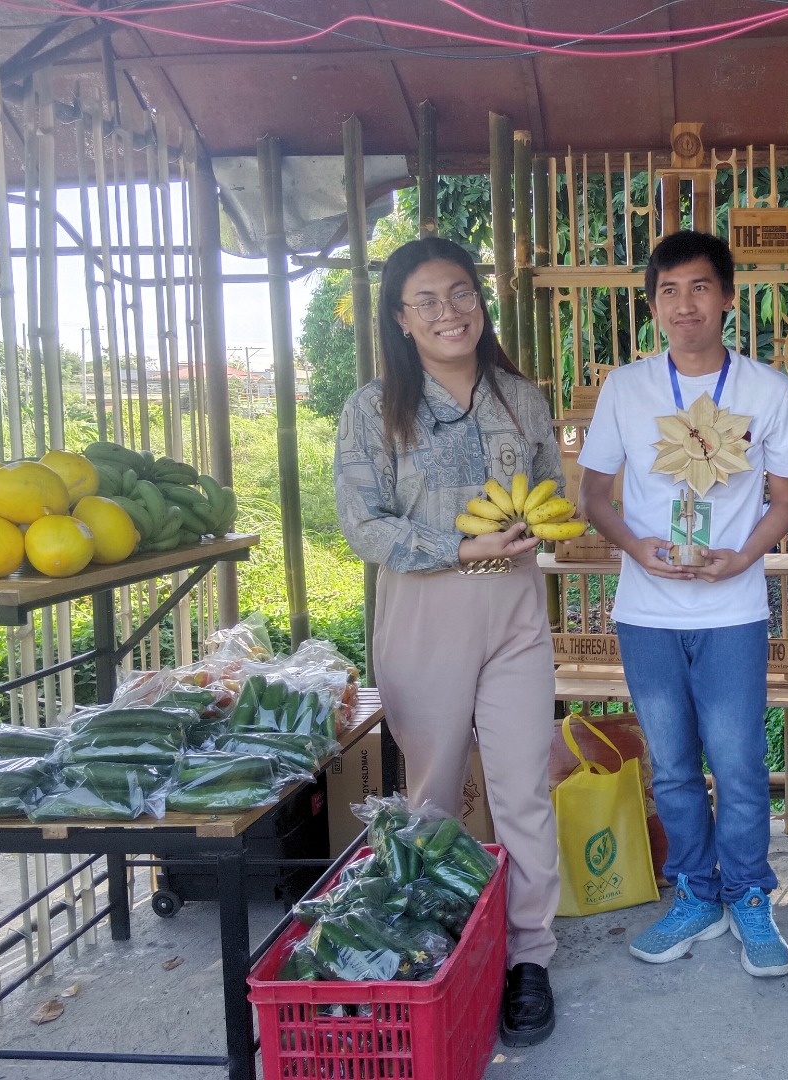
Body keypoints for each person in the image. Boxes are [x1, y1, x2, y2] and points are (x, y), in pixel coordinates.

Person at [334, 237, 561, 1045]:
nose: (448, 312)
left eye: (461, 293)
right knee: (431, 792)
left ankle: (529, 955)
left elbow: (551, 487)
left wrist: (532, 523)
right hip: (425, 611)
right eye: (425, 301)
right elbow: (363, 525)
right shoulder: (372, 409)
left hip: (514, 612)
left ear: (481, 300)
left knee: (522, 788)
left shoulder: (520, 398)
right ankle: (427, 944)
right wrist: (459, 547)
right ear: (399, 319)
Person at [575, 231, 788, 977]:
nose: (685, 305)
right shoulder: (626, 388)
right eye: (668, 291)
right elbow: (593, 496)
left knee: (738, 764)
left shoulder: (767, 390)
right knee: (672, 767)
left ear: (728, 297)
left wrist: (744, 557)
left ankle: (748, 894)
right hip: (647, 612)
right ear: (653, 306)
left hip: (733, 610)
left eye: (700, 287)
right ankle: (696, 894)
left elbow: (784, 500)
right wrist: (636, 547)